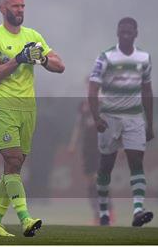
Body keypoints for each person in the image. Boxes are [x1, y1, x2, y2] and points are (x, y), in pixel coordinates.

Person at [0, 0, 64, 237]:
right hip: (4, 105)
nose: (20, 10)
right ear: (2, 8)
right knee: (14, 160)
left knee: (13, 168)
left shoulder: (33, 36)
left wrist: (42, 60)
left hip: (28, 108)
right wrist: (18, 59)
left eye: (23, 6)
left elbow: (60, 65)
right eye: (15, 6)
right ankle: (26, 219)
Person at [88, 17, 154, 227]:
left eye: (129, 32)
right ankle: (104, 212)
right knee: (106, 166)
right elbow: (92, 89)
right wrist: (96, 117)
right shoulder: (105, 57)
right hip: (109, 118)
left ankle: (137, 211)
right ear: (117, 34)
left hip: (134, 118)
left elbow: (147, 90)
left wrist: (150, 123)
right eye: (121, 32)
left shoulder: (144, 57)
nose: (125, 36)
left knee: (136, 162)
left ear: (136, 33)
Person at [67, 78, 112, 225]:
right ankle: (96, 213)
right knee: (89, 181)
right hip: (87, 148)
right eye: (87, 85)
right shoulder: (83, 106)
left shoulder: (104, 105)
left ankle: (107, 211)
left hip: (101, 147)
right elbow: (78, 126)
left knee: (100, 178)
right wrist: (73, 144)